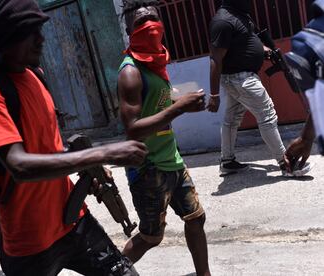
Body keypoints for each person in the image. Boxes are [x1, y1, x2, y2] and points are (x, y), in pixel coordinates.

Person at [0, 0, 148, 275]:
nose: (42, 39)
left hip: (73, 221)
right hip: (31, 242)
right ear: (7, 37)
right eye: (32, 32)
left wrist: (91, 173)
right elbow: (19, 165)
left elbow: (48, 146)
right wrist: (106, 153)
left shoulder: (35, 76)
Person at [117, 1, 211, 275]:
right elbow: (132, 128)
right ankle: (109, 271)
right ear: (129, 31)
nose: (149, 26)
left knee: (196, 218)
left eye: (153, 20)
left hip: (172, 159)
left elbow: (156, 103)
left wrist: (181, 100)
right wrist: (179, 107)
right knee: (150, 237)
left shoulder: (157, 63)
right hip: (147, 167)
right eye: (140, 23)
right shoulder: (131, 71)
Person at [207, 0, 310, 177]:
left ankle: (227, 162)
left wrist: (265, 50)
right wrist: (214, 94)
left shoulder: (240, 14)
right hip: (240, 79)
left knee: (231, 119)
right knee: (267, 114)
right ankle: (285, 163)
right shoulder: (223, 21)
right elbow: (215, 59)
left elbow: (248, 39)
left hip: (241, 78)